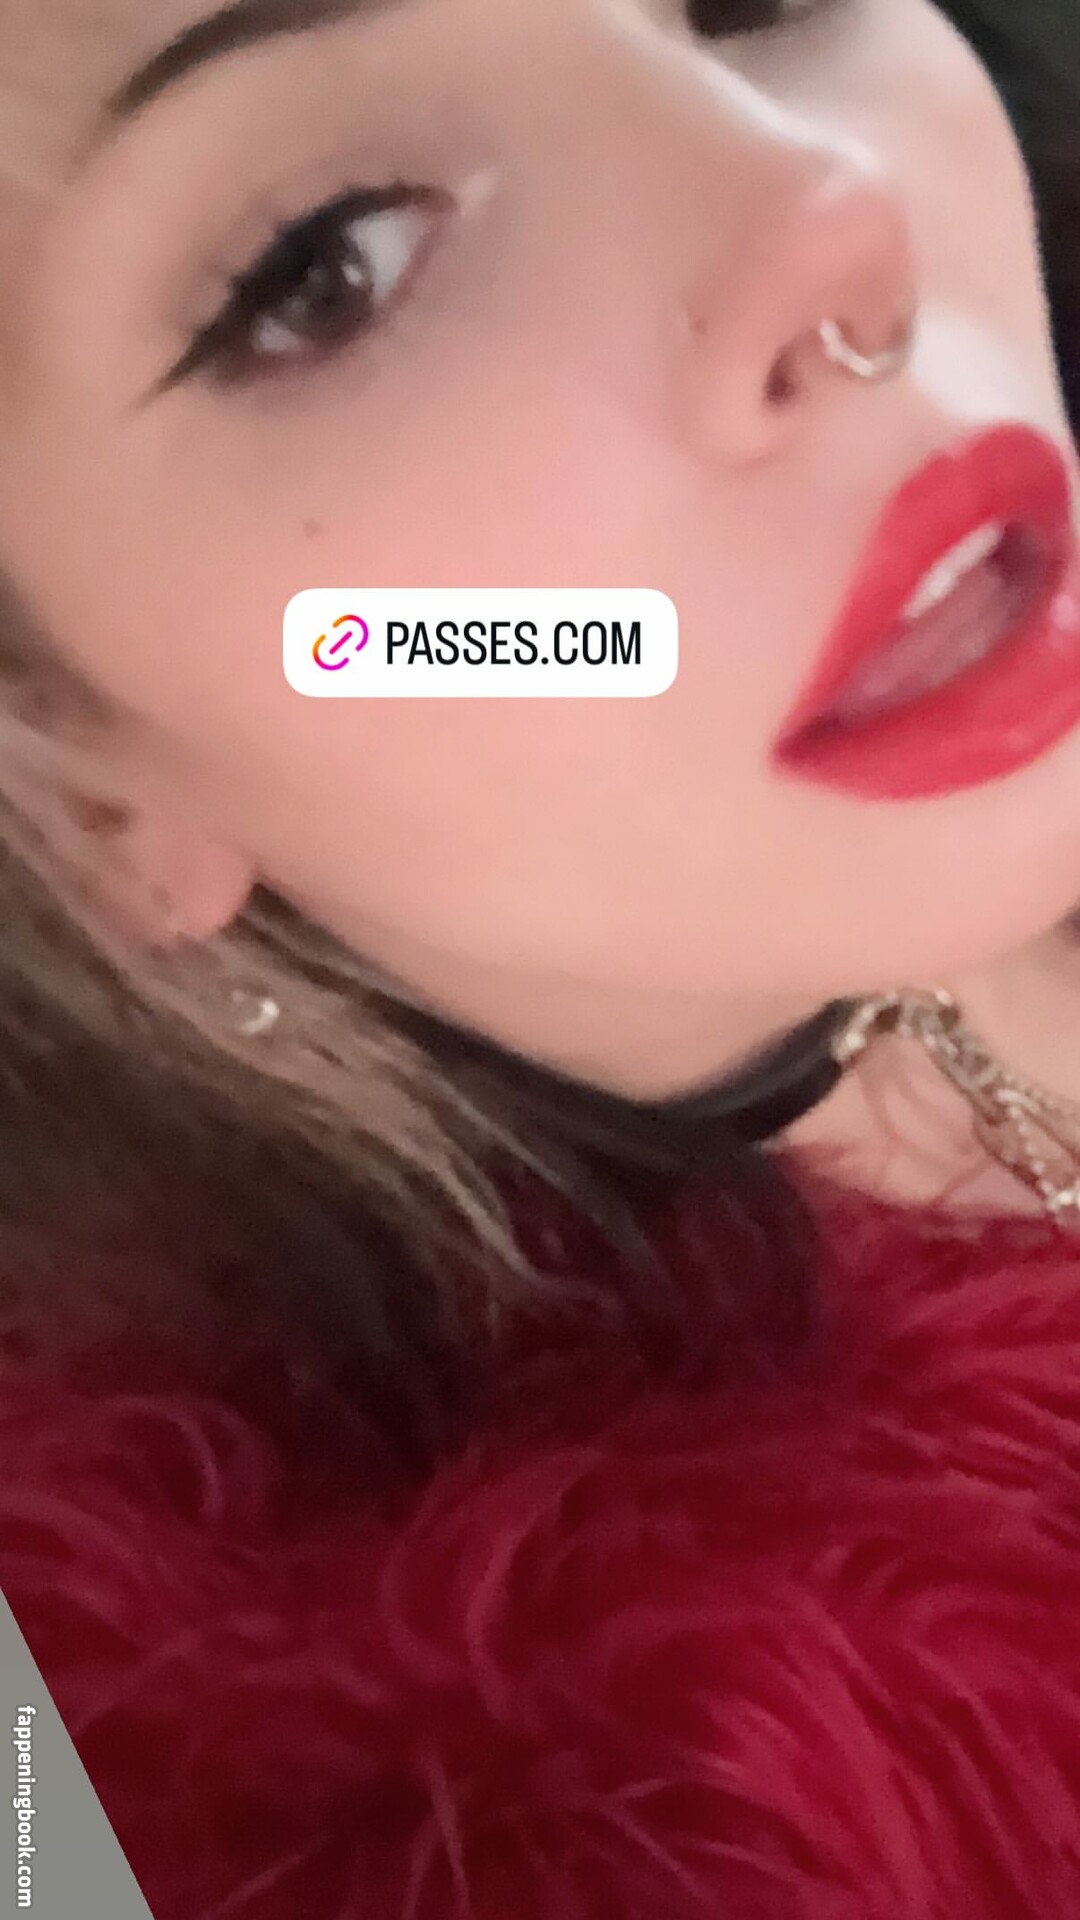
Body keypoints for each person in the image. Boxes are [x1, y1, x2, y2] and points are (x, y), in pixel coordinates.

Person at [3, 0, 1080, 1913]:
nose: (830, 212)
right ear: (77, 793)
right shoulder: (507, 1803)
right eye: (328, 269)